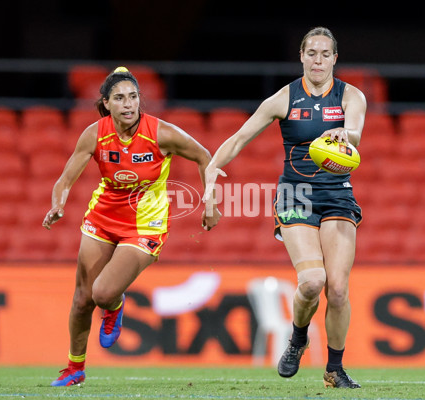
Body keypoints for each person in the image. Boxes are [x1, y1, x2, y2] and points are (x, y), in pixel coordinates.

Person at [203, 27, 366, 389]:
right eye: (312, 53)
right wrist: (212, 170)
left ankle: (334, 369)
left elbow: (354, 130)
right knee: (312, 283)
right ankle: (297, 338)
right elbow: (241, 136)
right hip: (296, 195)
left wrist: (345, 135)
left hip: (337, 194)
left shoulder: (351, 96)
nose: (318, 60)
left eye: (325, 54)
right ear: (302, 56)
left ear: (335, 59)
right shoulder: (285, 98)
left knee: (337, 289)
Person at [43, 66, 221, 386]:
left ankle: (115, 304)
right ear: (106, 103)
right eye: (120, 98)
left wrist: (210, 203)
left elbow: (205, 157)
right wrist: (58, 204)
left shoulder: (162, 133)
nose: (128, 104)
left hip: (145, 225)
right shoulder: (95, 133)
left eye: (133, 97)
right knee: (83, 298)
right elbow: (64, 179)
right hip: (102, 217)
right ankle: (75, 369)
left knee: (103, 292)